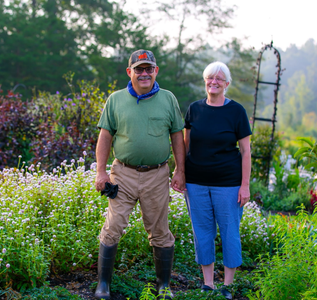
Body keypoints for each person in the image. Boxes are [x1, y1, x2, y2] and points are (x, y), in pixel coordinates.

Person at [94, 49, 186, 300]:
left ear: (156, 71)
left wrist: (180, 170)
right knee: (113, 226)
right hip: (122, 174)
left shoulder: (168, 99)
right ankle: (103, 284)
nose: (144, 73)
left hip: (157, 175)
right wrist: (101, 172)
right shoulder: (115, 100)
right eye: (139, 69)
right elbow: (105, 136)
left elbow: (177, 136)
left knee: (160, 230)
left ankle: (163, 286)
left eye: (149, 69)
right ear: (129, 72)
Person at [183, 61, 252, 300]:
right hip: (195, 182)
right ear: (205, 81)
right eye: (210, 78)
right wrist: (179, 172)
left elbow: (245, 151)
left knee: (229, 231)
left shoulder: (236, 112)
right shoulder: (194, 109)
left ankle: (228, 286)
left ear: (227, 84)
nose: (214, 82)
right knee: (202, 232)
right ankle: (208, 283)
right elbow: (186, 146)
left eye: (219, 79)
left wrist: (245, 185)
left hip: (229, 184)